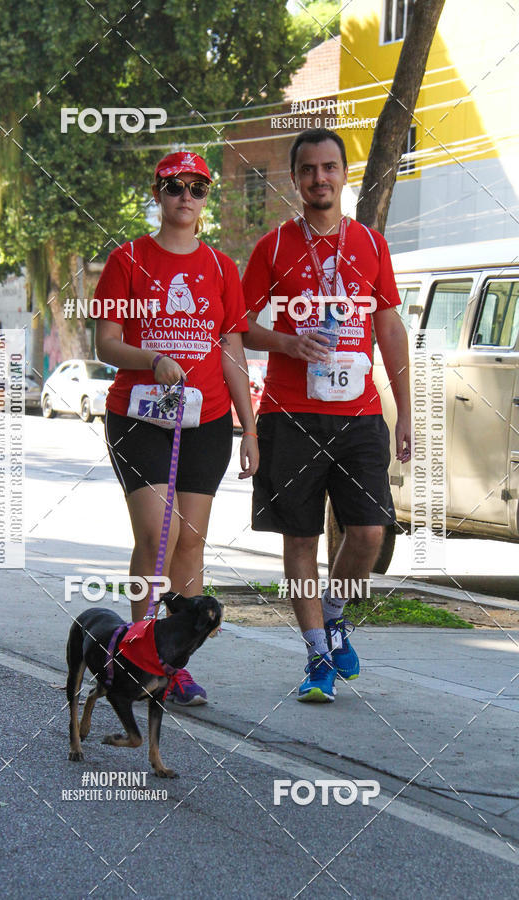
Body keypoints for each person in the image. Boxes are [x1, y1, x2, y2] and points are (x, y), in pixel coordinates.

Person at [242, 128, 411, 703]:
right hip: (289, 415)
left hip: (360, 414)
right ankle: (317, 655)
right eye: (309, 169)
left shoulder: (370, 244)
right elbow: (237, 326)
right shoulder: (272, 247)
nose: (320, 178)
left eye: (330, 167)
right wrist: (288, 344)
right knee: (300, 539)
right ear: (295, 180)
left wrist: (406, 409)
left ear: (344, 174)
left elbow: (388, 327)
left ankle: (334, 615)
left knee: (368, 531)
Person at [94, 150, 258, 705]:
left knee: (189, 542)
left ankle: (176, 666)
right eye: (174, 186)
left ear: (206, 198)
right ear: (157, 192)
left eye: (197, 187)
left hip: (206, 419)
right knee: (154, 540)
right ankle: (138, 653)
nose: (185, 196)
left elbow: (232, 348)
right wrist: (151, 357)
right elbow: (106, 343)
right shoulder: (128, 259)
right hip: (140, 415)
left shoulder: (220, 268)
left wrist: (250, 429)